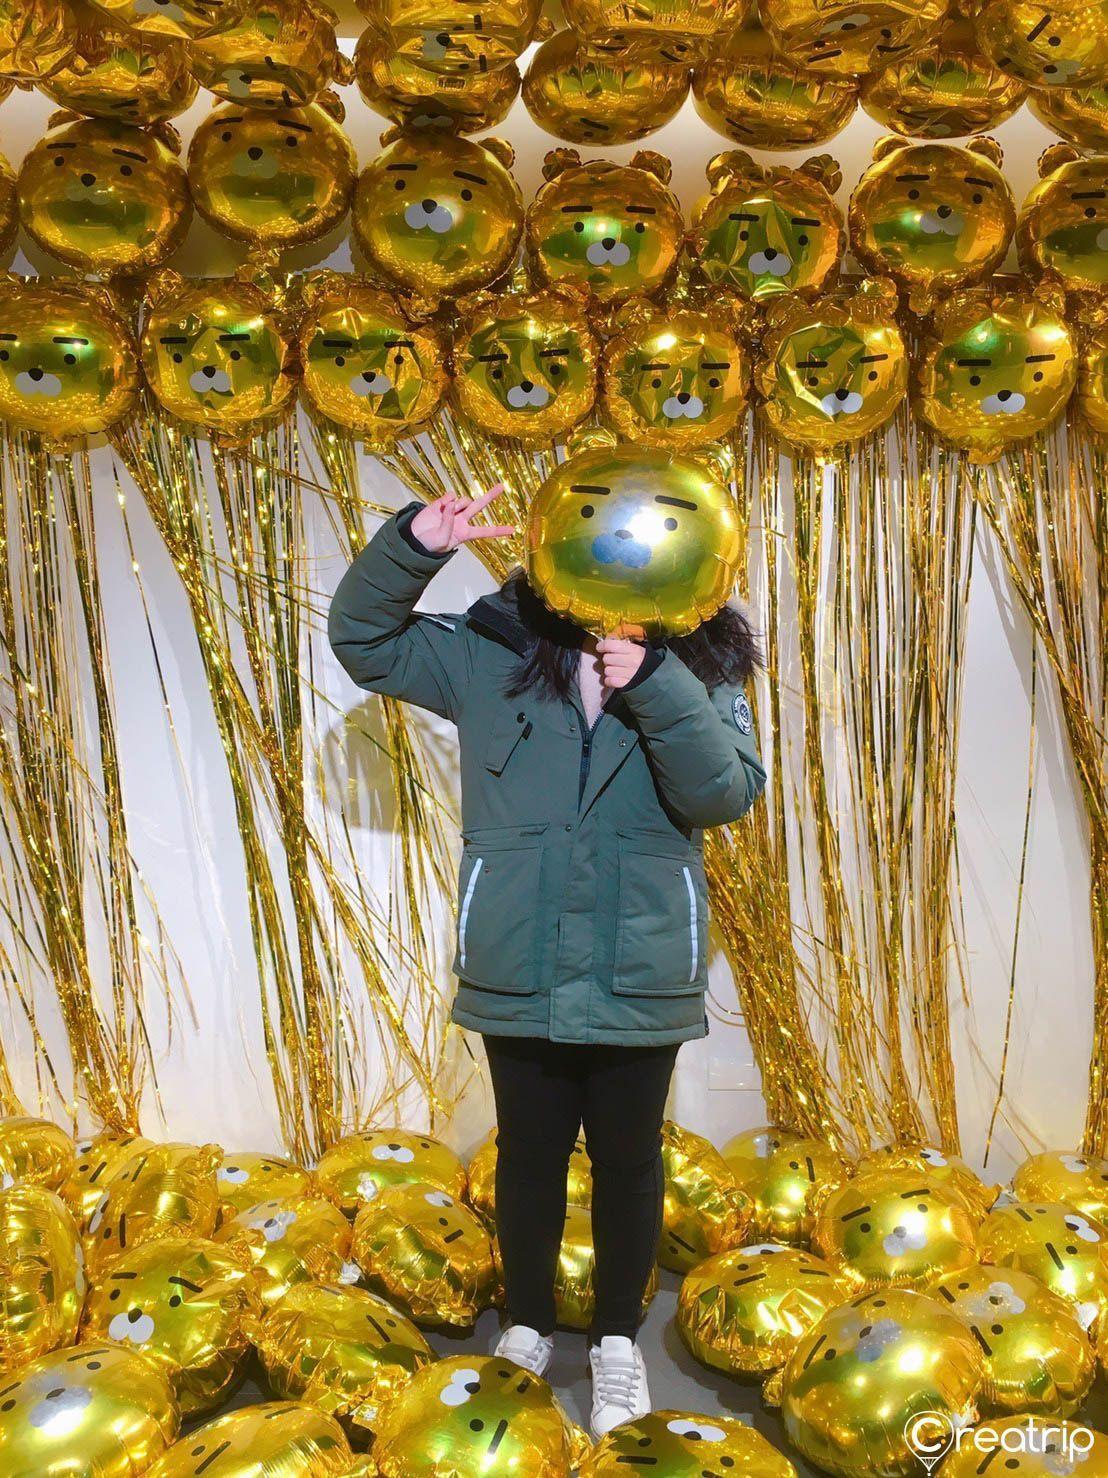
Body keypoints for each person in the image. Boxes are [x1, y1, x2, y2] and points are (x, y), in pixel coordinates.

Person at [328, 486, 766, 1438]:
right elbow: (364, 641)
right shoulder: (487, 650)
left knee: (628, 1158)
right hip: (517, 952)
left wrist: (655, 683)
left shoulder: (703, 664)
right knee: (526, 1154)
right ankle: (525, 1323)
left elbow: (725, 793)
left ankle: (616, 1341)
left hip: (640, 959)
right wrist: (415, 545)